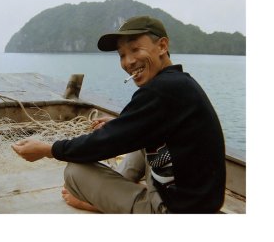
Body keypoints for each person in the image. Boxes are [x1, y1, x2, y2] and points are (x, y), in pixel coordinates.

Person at [12, 15, 226, 214]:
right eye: (122, 55)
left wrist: (48, 149)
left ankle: (97, 202)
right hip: (199, 200)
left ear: (162, 46)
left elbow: (99, 146)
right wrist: (121, 124)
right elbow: (143, 124)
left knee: (75, 172)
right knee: (141, 136)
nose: (129, 62)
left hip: (176, 210)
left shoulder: (161, 90)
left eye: (135, 49)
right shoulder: (179, 82)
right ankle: (116, 191)